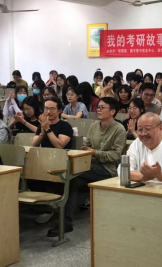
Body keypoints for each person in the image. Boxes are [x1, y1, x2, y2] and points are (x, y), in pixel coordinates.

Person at [54, 97, 127, 236]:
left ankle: (62, 218)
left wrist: (94, 153)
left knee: (73, 172)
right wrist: (85, 149)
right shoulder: (94, 126)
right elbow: (87, 143)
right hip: (91, 165)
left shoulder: (119, 129)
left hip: (108, 169)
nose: (98, 110)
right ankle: (65, 222)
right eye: (98, 107)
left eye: (102, 108)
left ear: (112, 111)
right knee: (73, 180)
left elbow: (116, 156)